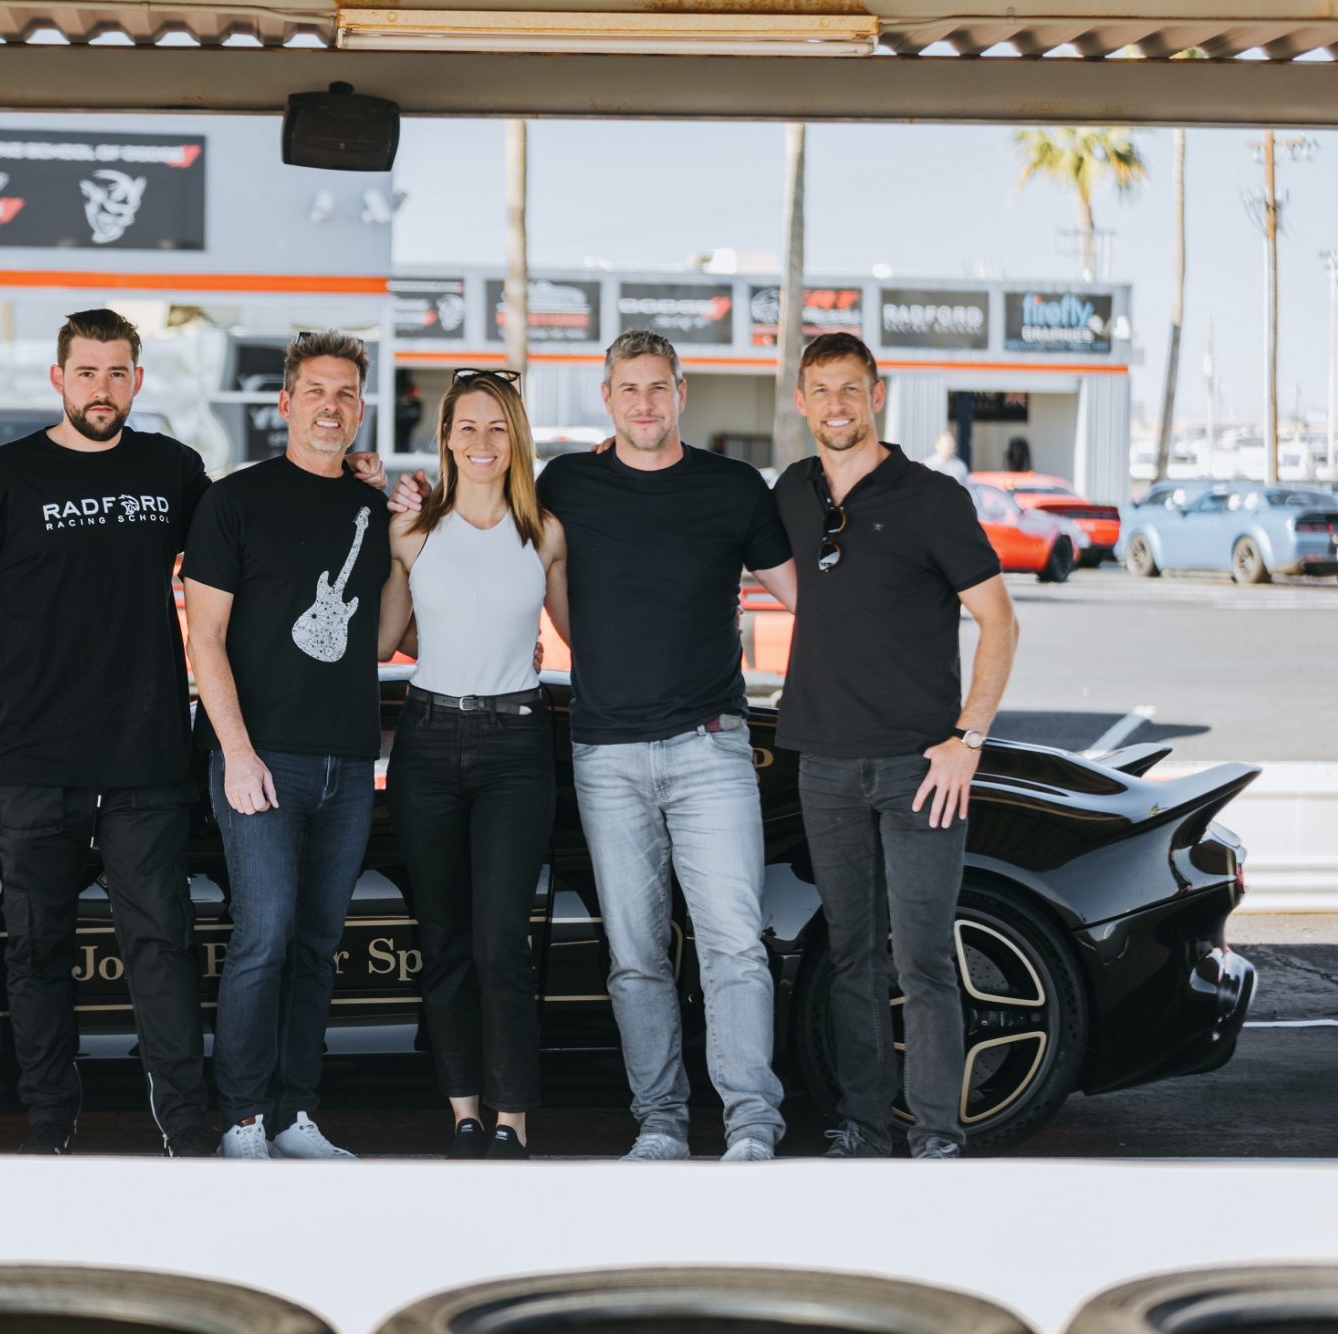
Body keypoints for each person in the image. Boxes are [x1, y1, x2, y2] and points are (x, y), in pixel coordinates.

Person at [0, 310, 391, 1159]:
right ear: (58, 378)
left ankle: (185, 1125)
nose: (101, 389)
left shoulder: (174, 471)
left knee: (161, 945)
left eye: (117, 373)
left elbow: (257, 540)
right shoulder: (4, 475)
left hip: (146, 753)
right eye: (86, 373)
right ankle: (48, 1126)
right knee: (39, 949)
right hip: (32, 754)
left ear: (137, 381)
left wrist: (349, 474)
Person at [397, 331, 799, 1161]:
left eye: (659, 387)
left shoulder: (731, 489)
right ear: (606, 397)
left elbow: (812, 600)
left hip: (710, 743)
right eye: (629, 389)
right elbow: (501, 572)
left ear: (681, 394)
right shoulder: (566, 486)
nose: (644, 403)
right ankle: (658, 1123)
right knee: (635, 956)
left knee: (731, 942)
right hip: (605, 750)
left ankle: (751, 1123)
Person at [773, 333, 1018, 1160]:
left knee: (923, 960)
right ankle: (863, 1128)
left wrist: (966, 741)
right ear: (801, 400)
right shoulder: (791, 492)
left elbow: (999, 622)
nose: (835, 405)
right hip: (826, 765)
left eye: (850, 388)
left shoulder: (932, 498)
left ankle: (939, 1137)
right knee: (849, 958)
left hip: (922, 770)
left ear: (878, 393)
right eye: (820, 390)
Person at [183, 331, 392, 1161]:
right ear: (285, 404)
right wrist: (236, 753)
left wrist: (403, 525)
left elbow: (388, 632)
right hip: (260, 758)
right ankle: (240, 1117)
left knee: (317, 943)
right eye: (316, 392)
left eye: (346, 394)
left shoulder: (371, 508)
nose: (332, 408)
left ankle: (294, 1112)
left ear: (360, 407)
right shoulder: (234, 502)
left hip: (349, 758)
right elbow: (205, 639)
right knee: (263, 936)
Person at [376, 368, 568, 1160]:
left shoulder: (546, 532)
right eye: (467, 427)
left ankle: (512, 1119)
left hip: (517, 748)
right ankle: (462, 1110)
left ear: (515, 437)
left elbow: (587, 634)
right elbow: (385, 641)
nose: (482, 442)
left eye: (497, 428)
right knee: (445, 937)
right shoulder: (415, 531)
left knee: (499, 940)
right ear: (446, 437)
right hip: (425, 744)